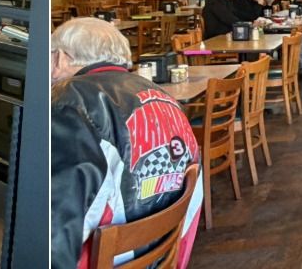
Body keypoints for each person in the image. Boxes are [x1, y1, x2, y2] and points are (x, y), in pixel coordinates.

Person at [52, 18, 201, 268]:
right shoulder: (167, 99)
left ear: (62, 58)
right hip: (162, 256)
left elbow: (56, 232)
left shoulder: (70, 103)